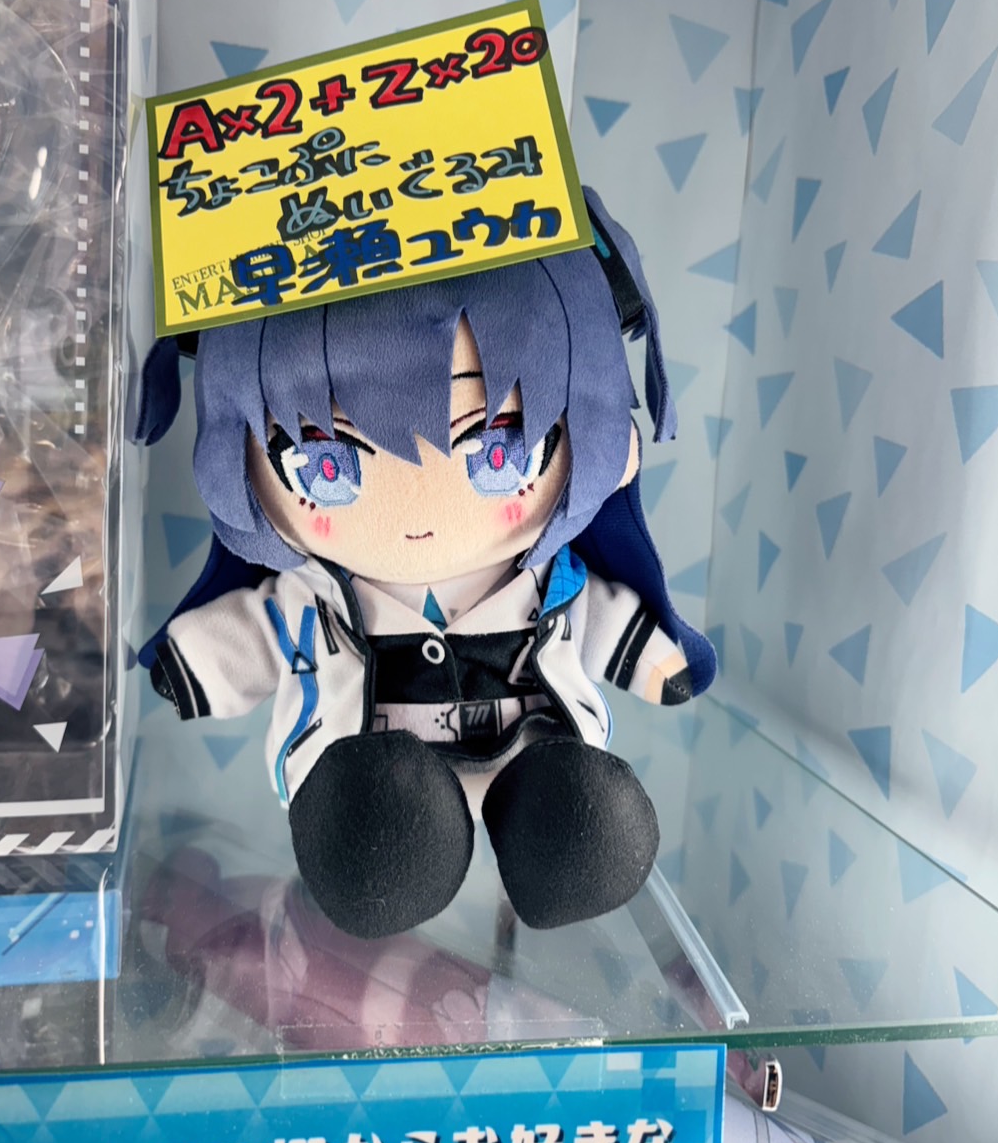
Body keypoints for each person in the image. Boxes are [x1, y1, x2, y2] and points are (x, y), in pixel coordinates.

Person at [137, 189, 715, 939]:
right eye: (324, 467)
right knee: (378, 837)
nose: (418, 513)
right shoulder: (313, 598)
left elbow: (605, 622)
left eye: (500, 452)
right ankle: (386, 847)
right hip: (362, 778)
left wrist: (662, 663)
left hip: (532, 757)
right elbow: (250, 634)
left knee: (581, 823)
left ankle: (562, 829)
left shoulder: (552, 582)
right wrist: (191, 665)